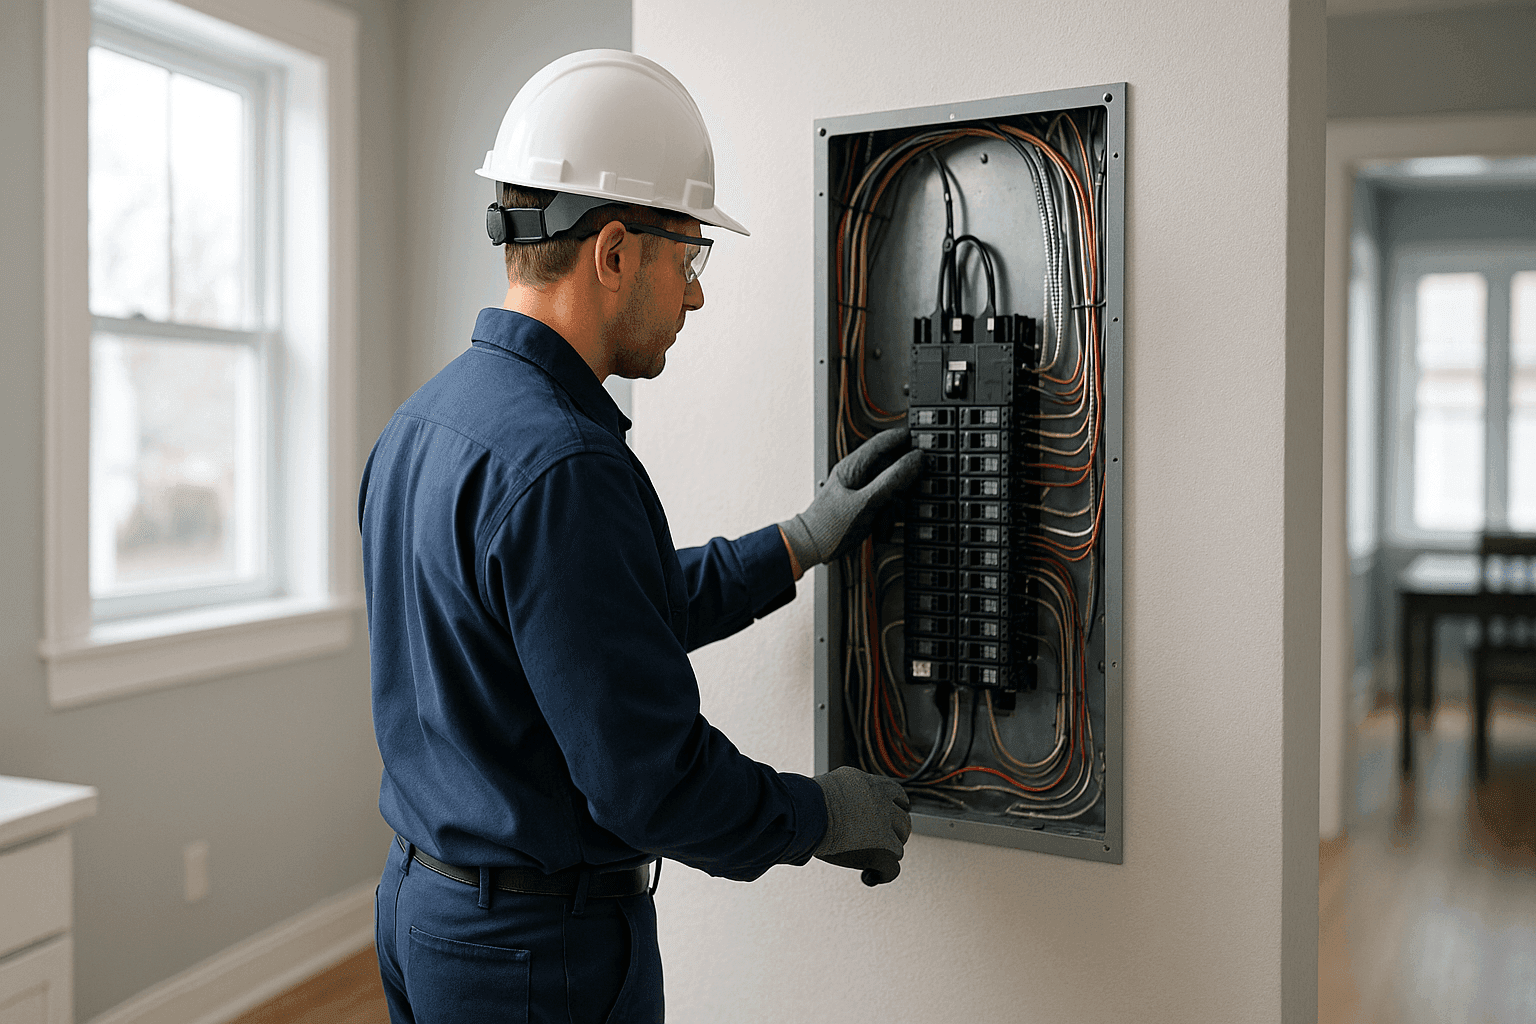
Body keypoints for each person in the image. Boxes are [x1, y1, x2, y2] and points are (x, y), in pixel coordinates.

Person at [361, 49, 918, 1023]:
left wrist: (800, 537)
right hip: (539, 961)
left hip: (424, 914)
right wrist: (824, 812)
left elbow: (593, 623)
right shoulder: (562, 466)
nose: (696, 293)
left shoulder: (425, 424)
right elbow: (649, 782)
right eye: (688, 256)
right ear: (614, 253)